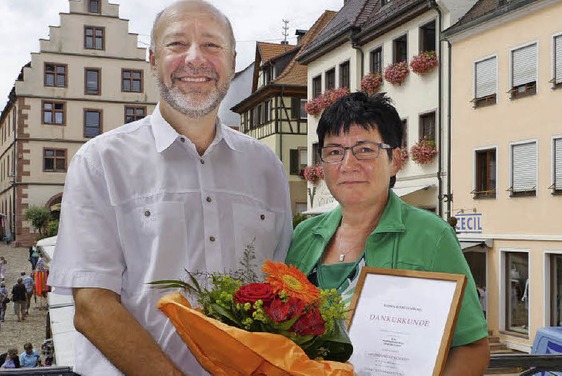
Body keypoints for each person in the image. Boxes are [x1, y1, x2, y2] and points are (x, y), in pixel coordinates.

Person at [47, 1, 292, 375]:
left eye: (212, 45)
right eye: (177, 44)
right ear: (152, 59)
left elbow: (280, 289)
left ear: (231, 59)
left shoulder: (266, 168)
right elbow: (92, 305)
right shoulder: (100, 161)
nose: (196, 59)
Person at [285, 92, 490, 375]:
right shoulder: (304, 236)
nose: (348, 164)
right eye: (334, 152)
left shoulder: (432, 236)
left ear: (395, 160)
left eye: (365, 149)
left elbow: (472, 348)